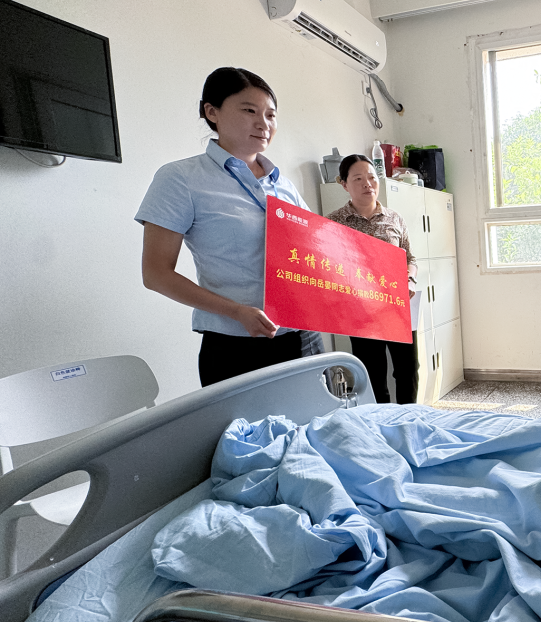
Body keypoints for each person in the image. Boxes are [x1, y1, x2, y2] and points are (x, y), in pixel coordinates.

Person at [136, 67, 310, 387]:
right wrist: (236, 311)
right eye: (249, 111)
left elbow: (315, 255)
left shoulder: (283, 185)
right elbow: (156, 274)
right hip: (234, 346)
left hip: (299, 338)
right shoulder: (181, 178)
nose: (263, 124)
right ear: (212, 112)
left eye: (271, 115)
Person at [326, 153, 419, 404]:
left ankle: (409, 417)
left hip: (396, 306)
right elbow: (328, 266)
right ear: (344, 184)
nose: (367, 184)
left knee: (408, 369)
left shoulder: (394, 218)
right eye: (358, 179)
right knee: (373, 373)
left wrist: (409, 279)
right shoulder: (334, 222)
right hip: (360, 311)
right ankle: (381, 421)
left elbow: (410, 258)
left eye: (371, 177)